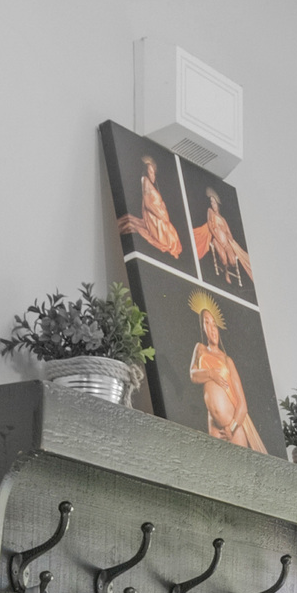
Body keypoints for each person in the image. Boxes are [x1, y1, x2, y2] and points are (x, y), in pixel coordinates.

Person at [186, 293, 267, 452]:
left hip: (232, 427)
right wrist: (211, 374)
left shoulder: (227, 360)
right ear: (203, 327)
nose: (212, 329)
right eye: (207, 323)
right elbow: (193, 375)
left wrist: (232, 426)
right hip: (213, 423)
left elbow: (242, 404)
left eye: (214, 324)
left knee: (241, 462)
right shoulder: (200, 349)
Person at [117, 153, 184, 258]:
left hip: (160, 217)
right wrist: (160, 215)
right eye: (151, 172)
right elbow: (148, 204)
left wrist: (162, 207)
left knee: (174, 237)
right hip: (154, 218)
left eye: (154, 173)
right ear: (147, 172)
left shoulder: (151, 185)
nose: (153, 175)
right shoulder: (145, 181)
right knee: (170, 241)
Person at [191, 186, 252, 287]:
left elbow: (229, 234)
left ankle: (224, 266)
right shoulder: (210, 211)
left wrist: (228, 238)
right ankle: (226, 272)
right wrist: (217, 237)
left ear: (218, 204)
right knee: (224, 258)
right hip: (217, 240)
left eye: (214, 202)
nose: (212, 204)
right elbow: (210, 226)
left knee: (233, 261)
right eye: (211, 202)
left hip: (226, 244)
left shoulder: (223, 219)